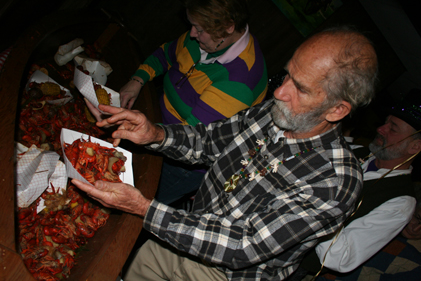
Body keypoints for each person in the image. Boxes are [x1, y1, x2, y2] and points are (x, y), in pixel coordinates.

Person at [72, 26, 378, 280]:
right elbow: (209, 140)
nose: (280, 92)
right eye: (286, 75)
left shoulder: (335, 182)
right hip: (182, 233)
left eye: (301, 88)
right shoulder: (278, 111)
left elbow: (244, 245)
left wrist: (145, 209)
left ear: (337, 110)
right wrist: (155, 133)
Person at [118, 0, 268, 205]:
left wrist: (138, 128)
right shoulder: (210, 38)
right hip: (155, 123)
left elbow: (190, 137)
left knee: (134, 207)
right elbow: (166, 55)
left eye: (199, 29)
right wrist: (137, 80)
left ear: (228, 27)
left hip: (182, 164)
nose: (192, 33)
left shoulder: (241, 78)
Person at [296, 88, 421, 278]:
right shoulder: (355, 151)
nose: (380, 129)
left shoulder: (401, 202)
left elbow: (340, 258)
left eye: (392, 128)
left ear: (415, 146)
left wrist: (322, 201)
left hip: (291, 264)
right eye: (385, 123)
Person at [312, 189, 421, 281]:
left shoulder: (416, 264)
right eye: (417, 218)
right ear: (412, 208)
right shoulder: (381, 213)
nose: (416, 228)